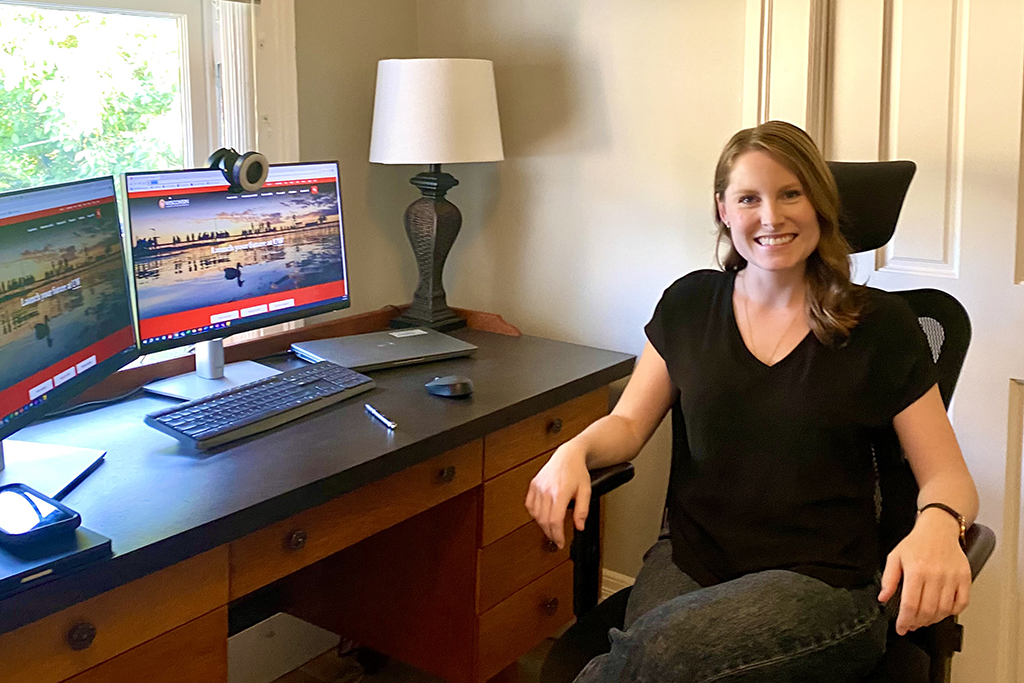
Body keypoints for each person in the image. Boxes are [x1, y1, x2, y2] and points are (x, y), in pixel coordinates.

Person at [525, 120, 979, 682]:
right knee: (659, 657)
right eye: (749, 198)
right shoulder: (689, 305)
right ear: (723, 209)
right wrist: (574, 450)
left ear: (820, 202)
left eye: (792, 193)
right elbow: (626, 423)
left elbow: (949, 477)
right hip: (692, 560)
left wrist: (938, 525)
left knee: (662, 655)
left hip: (824, 585)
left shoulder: (880, 326)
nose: (771, 217)